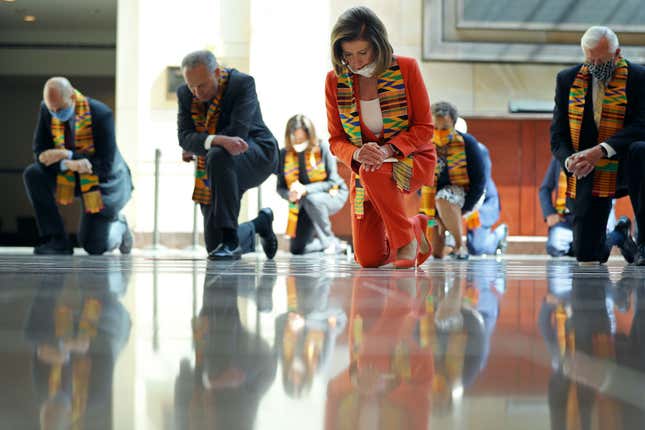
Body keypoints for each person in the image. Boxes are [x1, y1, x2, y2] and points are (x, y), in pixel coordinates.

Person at [325, 6, 436, 269]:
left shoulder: (407, 68)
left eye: (362, 52)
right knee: (368, 259)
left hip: (411, 158)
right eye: (348, 54)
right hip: (365, 166)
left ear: (378, 46)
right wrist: (356, 153)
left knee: (372, 171)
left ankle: (404, 242)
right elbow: (335, 139)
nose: (356, 62)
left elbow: (424, 128)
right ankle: (413, 228)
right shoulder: (334, 81)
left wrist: (388, 151)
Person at [550, 26, 645, 265]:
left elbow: (642, 124)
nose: (596, 68)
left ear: (617, 53)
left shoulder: (639, 77)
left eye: (601, 61)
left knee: (641, 151)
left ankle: (643, 243)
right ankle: (618, 235)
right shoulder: (568, 80)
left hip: (629, 163)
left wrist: (601, 150)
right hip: (590, 170)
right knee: (586, 253)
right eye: (590, 61)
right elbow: (557, 136)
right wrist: (570, 160)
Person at [177, 50, 279, 261]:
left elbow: (237, 135)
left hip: (256, 154)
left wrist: (202, 143)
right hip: (218, 165)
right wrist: (212, 140)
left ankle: (231, 239)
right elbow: (184, 137)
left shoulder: (241, 84)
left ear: (216, 72)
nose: (197, 92)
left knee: (218, 153)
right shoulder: (184, 95)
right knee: (215, 246)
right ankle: (259, 225)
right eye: (191, 86)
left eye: (202, 85)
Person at [23, 77, 133, 255]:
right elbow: (41, 153)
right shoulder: (47, 109)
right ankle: (56, 240)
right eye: (52, 109)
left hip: (103, 181)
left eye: (60, 109)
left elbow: (105, 165)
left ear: (72, 97)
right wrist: (68, 162)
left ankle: (120, 226)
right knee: (33, 174)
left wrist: (67, 155)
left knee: (94, 246)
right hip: (71, 173)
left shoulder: (100, 114)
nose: (56, 113)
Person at [420, 101, 486, 260]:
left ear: (454, 124)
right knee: (436, 252)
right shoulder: (425, 146)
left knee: (444, 197)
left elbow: (479, 182)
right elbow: (419, 182)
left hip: (465, 196)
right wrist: (438, 217)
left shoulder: (468, 144)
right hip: (433, 204)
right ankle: (448, 244)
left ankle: (459, 245)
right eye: (435, 128)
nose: (439, 132)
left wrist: (463, 210)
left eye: (444, 129)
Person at [277, 114, 349, 255]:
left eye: (302, 138)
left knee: (313, 199)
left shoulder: (321, 147)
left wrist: (305, 189)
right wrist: (289, 194)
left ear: (309, 136)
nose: (299, 141)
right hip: (302, 202)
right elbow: (280, 188)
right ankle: (334, 244)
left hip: (333, 194)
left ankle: (328, 239)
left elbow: (333, 181)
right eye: (296, 139)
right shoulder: (283, 154)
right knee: (297, 249)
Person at [539, 156, 634, 260]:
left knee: (598, 252)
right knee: (555, 245)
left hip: (595, 212)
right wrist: (549, 213)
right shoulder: (560, 158)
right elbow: (545, 189)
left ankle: (619, 234)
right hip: (567, 218)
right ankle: (582, 248)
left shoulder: (600, 153)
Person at [465, 142, 508, 256]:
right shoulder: (439, 147)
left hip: (482, 202)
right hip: (458, 199)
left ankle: (498, 235)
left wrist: (469, 208)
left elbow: (481, 183)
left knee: (477, 249)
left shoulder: (478, 149)